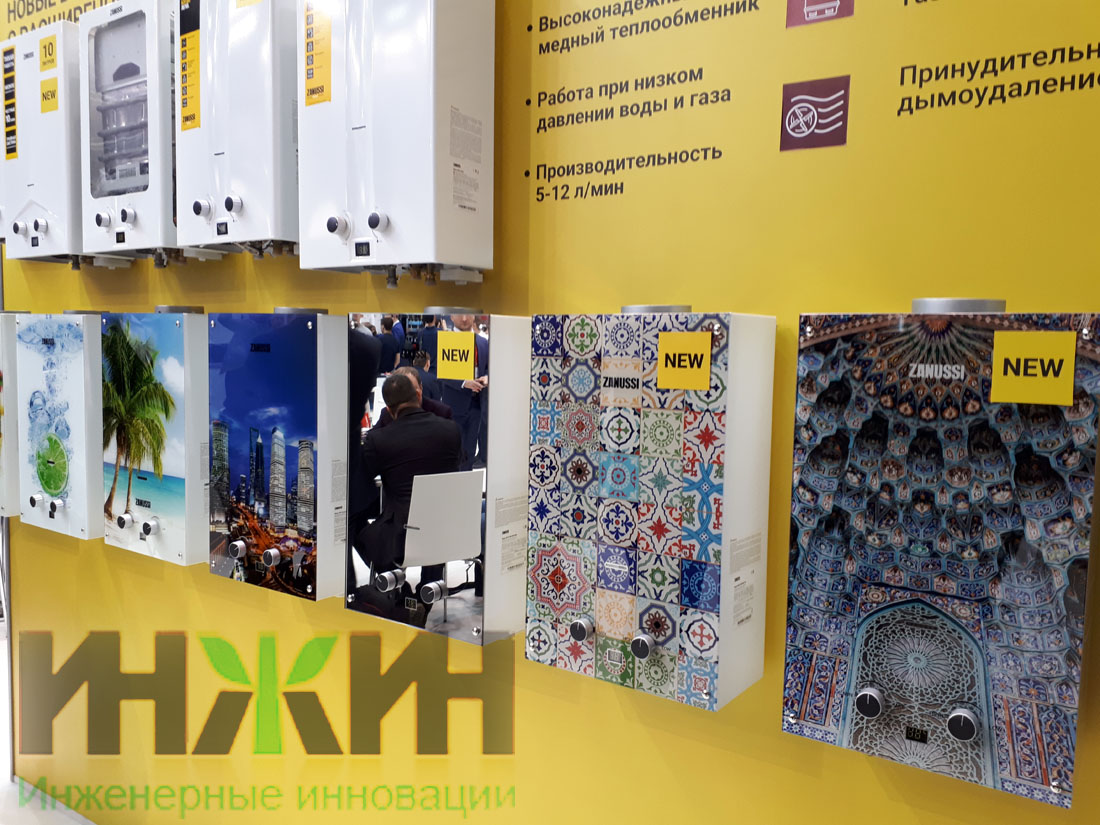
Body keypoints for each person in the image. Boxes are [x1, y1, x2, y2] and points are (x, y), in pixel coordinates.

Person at [356, 373, 462, 626]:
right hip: (446, 532)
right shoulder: (451, 430)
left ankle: (396, 586)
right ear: (418, 395)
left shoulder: (380, 440)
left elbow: (360, 481)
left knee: (349, 517)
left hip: (400, 538)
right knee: (430, 520)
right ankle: (424, 597)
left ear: (388, 407)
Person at [439, 314, 489, 470]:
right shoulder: (446, 340)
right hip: (454, 404)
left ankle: (467, 482)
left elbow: (489, 367)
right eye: (460, 314)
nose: (465, 319)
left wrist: (487, 377)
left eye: (468, 314)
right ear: (452, 317)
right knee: (453, 452)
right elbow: (442, 373)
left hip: (477, 405)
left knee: (470, 451)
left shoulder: (483, 342)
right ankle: (453, 482)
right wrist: (463, 383)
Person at [374, 367, 452, 427]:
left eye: (411, 389)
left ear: (420, 388)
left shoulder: (441, 412)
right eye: (402, 390)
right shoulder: (387, 413)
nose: (408, 394)